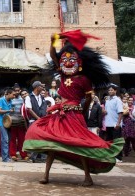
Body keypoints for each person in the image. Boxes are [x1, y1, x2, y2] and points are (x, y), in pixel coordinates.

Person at [23, 30, 124, 186]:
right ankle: (46, 175)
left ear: (80, 62)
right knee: (51, 144)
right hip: (60, 115)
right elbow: (54, 56)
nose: (68, 62)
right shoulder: (63, 75)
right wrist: (53, 42)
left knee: (80, 145)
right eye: (65, 59)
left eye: (72, 59)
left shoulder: (84, 80)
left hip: (74, 116)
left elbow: (89, 97)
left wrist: (81, 110)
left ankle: (87, 177)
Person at [25, 81, 47, 163]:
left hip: (42, 121)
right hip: (34, 121)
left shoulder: (42, 97)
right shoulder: (29, 97)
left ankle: (39, 157)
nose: (42, 88)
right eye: (41, 86)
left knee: (41, 139)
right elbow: (29, 109)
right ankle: (32, 157)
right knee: (34, 139)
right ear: (37, 87)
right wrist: (38, 118)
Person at [9, 84, 28, 161]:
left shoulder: (23, 99)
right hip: (12, 121)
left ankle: (23, 155)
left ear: (20, 91)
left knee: (22, 139)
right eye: (15, 91)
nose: (17, 92)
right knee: (13, 139)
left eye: (18, 90)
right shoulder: (10, 99)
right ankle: (13, 154)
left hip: (21, 121)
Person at [105, 85, 124, 162]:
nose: (110, 91)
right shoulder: (107, 100)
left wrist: (118, 123)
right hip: (108, 124)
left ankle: (119, 157)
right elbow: (107, 112)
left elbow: (120, 112)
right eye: (109, 90)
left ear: (115, 91)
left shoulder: (118, 100)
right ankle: (110, 156)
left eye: (112, 90)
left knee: (117, 141)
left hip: (115, 124)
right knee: (109, 141)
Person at [0, 87, 16, 162]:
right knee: (5, 140)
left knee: (8, 140)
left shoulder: (11, 101)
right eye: (13, 94)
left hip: (8, 122)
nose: (14, 96)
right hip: (2, 122)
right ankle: (5, 158)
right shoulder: (1, 100)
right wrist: (9, 110)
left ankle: (7, 156)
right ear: (8, 94)